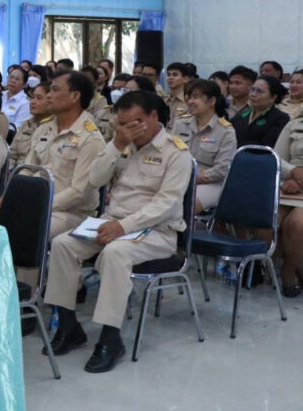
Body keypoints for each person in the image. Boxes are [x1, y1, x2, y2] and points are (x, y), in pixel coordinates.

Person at [43, 90, 192, 374]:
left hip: (156, 231)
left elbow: (165, 204)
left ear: (153, 117)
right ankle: (68, 325)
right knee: (62, 244)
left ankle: (110, 338)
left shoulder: (176, 153)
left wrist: (123, 227)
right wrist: (116, 144)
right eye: (122, 123)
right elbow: (95, 179)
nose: (128, 129)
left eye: (135, 122)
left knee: (115, 253)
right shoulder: (122, 144)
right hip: (112, 221)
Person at [24, 70, 105, 237]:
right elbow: (28, 168)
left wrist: (41, 204)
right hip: (37, 202)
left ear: (74, 96)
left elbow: (78, 192)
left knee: (28, 227)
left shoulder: (90, 138)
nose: (48, 95)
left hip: (71, 213)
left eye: (55, 90)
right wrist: (17, 194)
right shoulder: (44, 128)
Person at [170, 79, 236, 213]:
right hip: (179, 178)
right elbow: (169, 154)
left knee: (188, 203)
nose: (190, 101)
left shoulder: (225, 131)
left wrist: (192, 177)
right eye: (189, 97)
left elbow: (222, 169)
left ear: (211, 101)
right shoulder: (181, 124)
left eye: (196, 97)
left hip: (211, 183)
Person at [274, 112, 303, 296]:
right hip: (290, 186)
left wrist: (302, 181)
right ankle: (300, 266)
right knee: (265, 220)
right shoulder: (296, 123)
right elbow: (277, 157)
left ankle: (288, 270)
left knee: (297, 224)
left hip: (298, 186)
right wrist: (293, 171)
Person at [232, 75, 289, 148]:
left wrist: (235, 146)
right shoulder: (242, 113)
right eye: (252, 89)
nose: (253, 94)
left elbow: (266, 144)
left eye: (259, 91)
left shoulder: (280, 118)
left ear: (272, 98)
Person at [9, 81, 52, 168]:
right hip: (16, 172)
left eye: (39, 98)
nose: (33, 102)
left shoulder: (55, 127)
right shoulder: (26, 124)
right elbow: (12, 154)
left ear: (51, 101)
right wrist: (10, 171)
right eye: (32, 97)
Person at [164, 62, 193, 127]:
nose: (170, 78)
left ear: (185, 79)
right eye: (168, 75)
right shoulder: (164, 100)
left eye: (175, 75)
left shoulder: (189, 101)